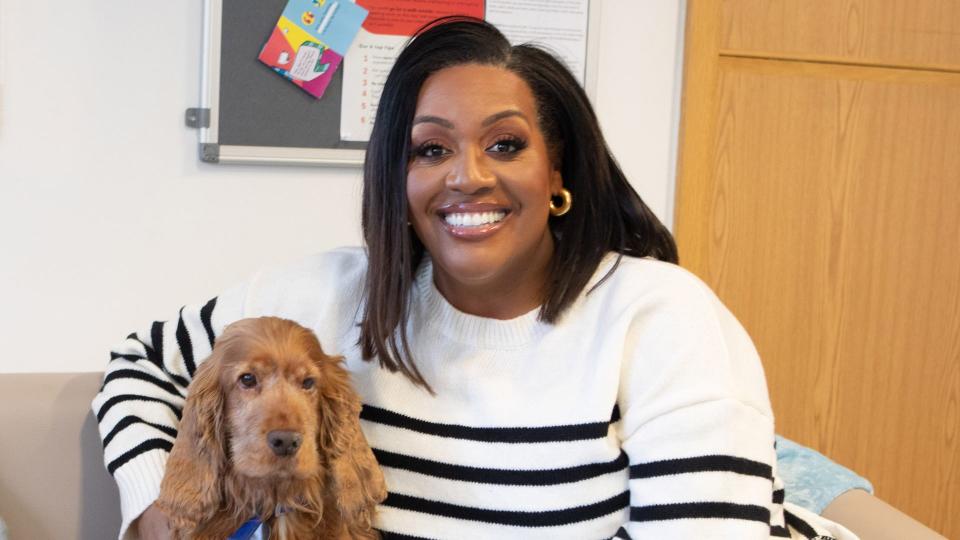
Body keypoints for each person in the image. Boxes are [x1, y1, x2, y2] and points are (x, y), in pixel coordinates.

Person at [93, 17, 856, 539]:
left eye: (505, 144)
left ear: (558, 168)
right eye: (430, 151)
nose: (467, 177)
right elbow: (140, 361)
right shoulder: (324, 299)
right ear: (397, 176)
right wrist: (155, 507)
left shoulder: (658, 315)